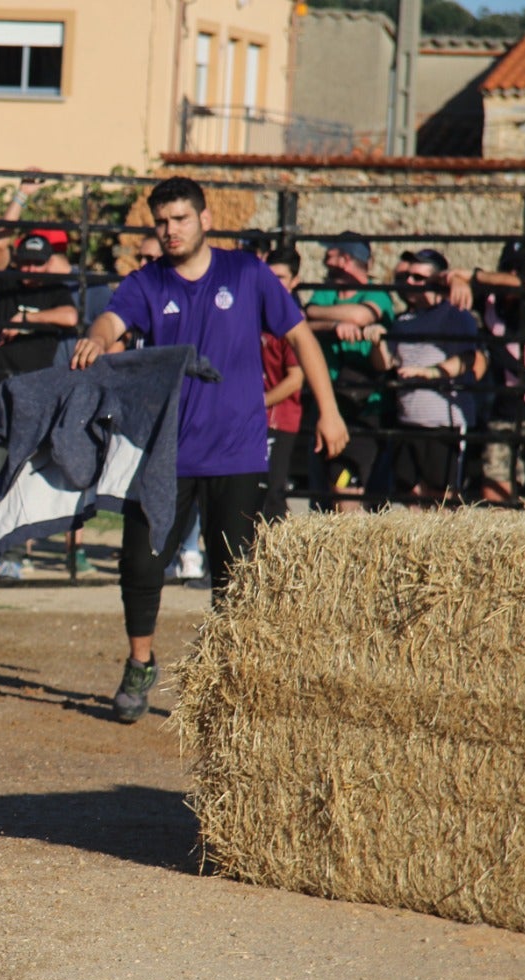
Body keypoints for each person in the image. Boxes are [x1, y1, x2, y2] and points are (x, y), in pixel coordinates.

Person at [70, 177, 348, 723]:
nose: (170, 230)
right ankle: (140, 664)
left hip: (238, 452)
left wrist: (331, 411)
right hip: (165, 453)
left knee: (233, 574)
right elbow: (113, 317)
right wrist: (100, 339)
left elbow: (301, 338)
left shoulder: (246, 273)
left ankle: (230, 678)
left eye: (180, 219)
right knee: (140, 562)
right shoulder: (149, 281)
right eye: (162, 222)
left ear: (205, 217)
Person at [0, 232, 79, 579]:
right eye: (26, 261)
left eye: (38, 261)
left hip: (33, 396)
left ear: (48, 262)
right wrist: (21, 196)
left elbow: (70, 316)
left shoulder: (53, 290)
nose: (31, 268)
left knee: (20, 475)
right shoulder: (5, 285)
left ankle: (8, 555)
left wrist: (27, 320)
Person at [443, 241, 525, 504]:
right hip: (505, 410)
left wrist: (475, 275)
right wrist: (457, 280)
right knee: (493, 489)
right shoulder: (490, 302)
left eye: (524, 268)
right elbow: (445, 281)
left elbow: (522, 286)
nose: (517, 275)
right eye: (510, 268)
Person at [363, 248, 481, 506]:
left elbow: (470, 359)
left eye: (418, 278)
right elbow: (385, 364)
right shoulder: (404, 320)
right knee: (410, 496)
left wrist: (429, 373)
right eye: (408, 276)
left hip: (442, 422)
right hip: (408, 420)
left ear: (437, 280)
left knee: (442, 501)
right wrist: (376, 341)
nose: (409, 283)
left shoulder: (455, 315)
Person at [303, 231, 394, 511]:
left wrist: (324, 317)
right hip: (324, 405)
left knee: (345, 483)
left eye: (330, 253)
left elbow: (361, 316)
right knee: (322, 488)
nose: (324, 258)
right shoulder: (326, 291)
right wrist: (334, 327)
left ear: (344, 259)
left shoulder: (377, 295)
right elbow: (304, 316)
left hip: (360, 408)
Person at [260, 248, 307, 521]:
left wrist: (259, 402)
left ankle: (280, 556)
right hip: (255, 415)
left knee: (272, 493)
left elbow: (295, 378)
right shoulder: (257, 313)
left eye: (281, 277)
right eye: (270, 276)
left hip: (278, 418)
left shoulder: (291, 321)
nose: (274, 283)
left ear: (295, 281)